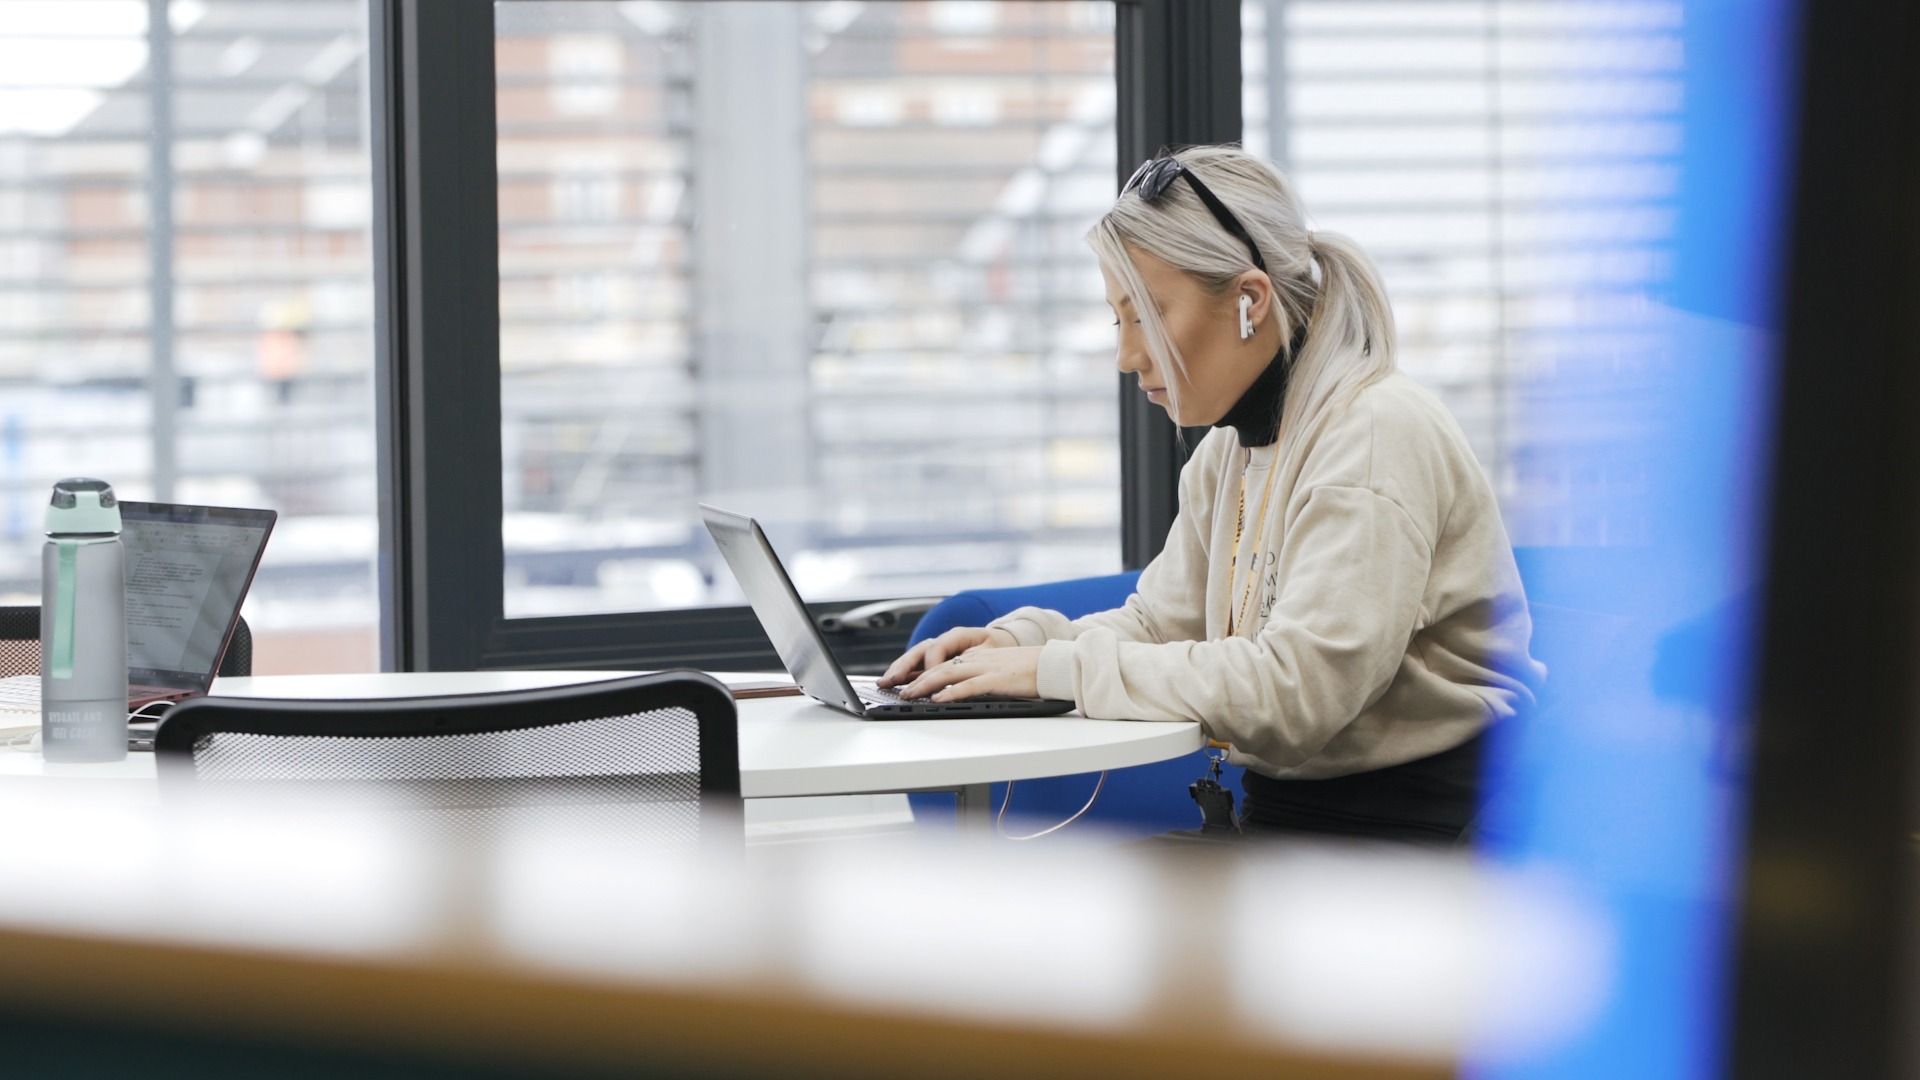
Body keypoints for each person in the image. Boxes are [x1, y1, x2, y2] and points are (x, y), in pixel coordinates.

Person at [878, 145, 1544, 844]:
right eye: (1118, 320)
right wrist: (1017, 644)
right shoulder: (1232, 450)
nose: (1127, 356)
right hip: (1300, 819)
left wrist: (1054, 669)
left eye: (1149, 316)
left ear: (1250, 301)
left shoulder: (1373, 435)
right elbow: (1161, 622)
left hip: (1423, 834)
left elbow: (1295, 694)